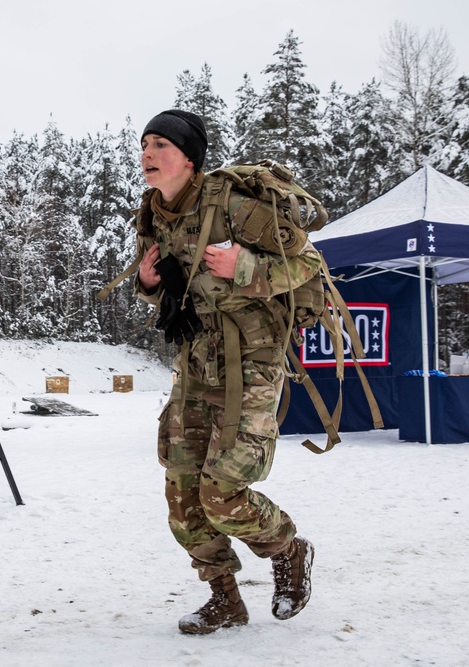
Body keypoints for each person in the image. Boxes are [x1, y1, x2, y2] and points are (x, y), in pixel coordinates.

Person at [134, 109, 319, 634]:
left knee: (222, 493)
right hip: (193, 368)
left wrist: (249, 266)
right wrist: (148, 283)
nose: (147, 154)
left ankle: (287, 548)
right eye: (144, 144)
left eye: (160, 145)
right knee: (183, 500)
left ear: (188, 159)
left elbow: (309, 262)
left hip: (251, 369)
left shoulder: (236, 208)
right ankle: (224, 599)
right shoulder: (154, 216)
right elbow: (172, 293)